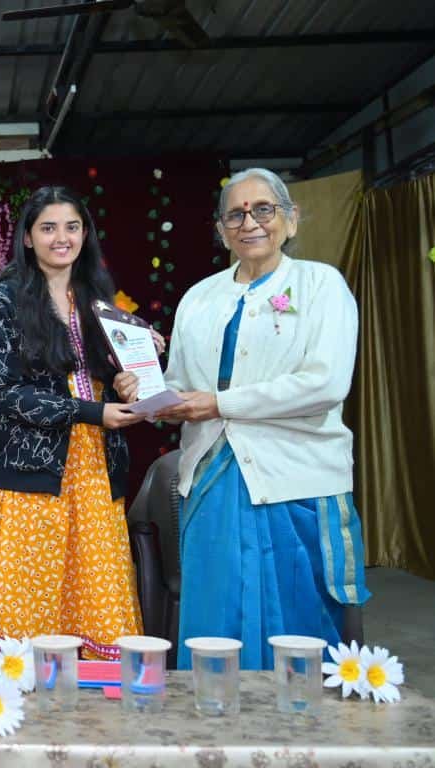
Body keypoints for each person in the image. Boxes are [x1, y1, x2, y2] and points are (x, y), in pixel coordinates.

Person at [116, 167, 370, 670]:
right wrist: (143, 391)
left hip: (297, 480)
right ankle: (214, 715)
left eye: (263, 210)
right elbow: (180, 383)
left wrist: (220, 403)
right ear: (221, 229)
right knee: (216, 625)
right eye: (235, 214)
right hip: (212, 481)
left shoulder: (321, 285)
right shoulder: (199, 297)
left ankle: (303, 719)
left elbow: (324, 384)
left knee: (299, 627)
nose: (250, 223)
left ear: (291, 219)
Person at [0, 185, 147, 658]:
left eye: (71, 227)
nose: (61, 238)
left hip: (95, 466)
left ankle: (94, 702)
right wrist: (93, 412)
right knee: (32, 600)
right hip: (32, 470)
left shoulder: (97, 297)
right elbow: (7, 394)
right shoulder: (5, 299)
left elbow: (103, 374)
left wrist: (126, 383)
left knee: (96, 590)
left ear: (85, 234)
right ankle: (25, 697)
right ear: (28, 238)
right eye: (48, 228)